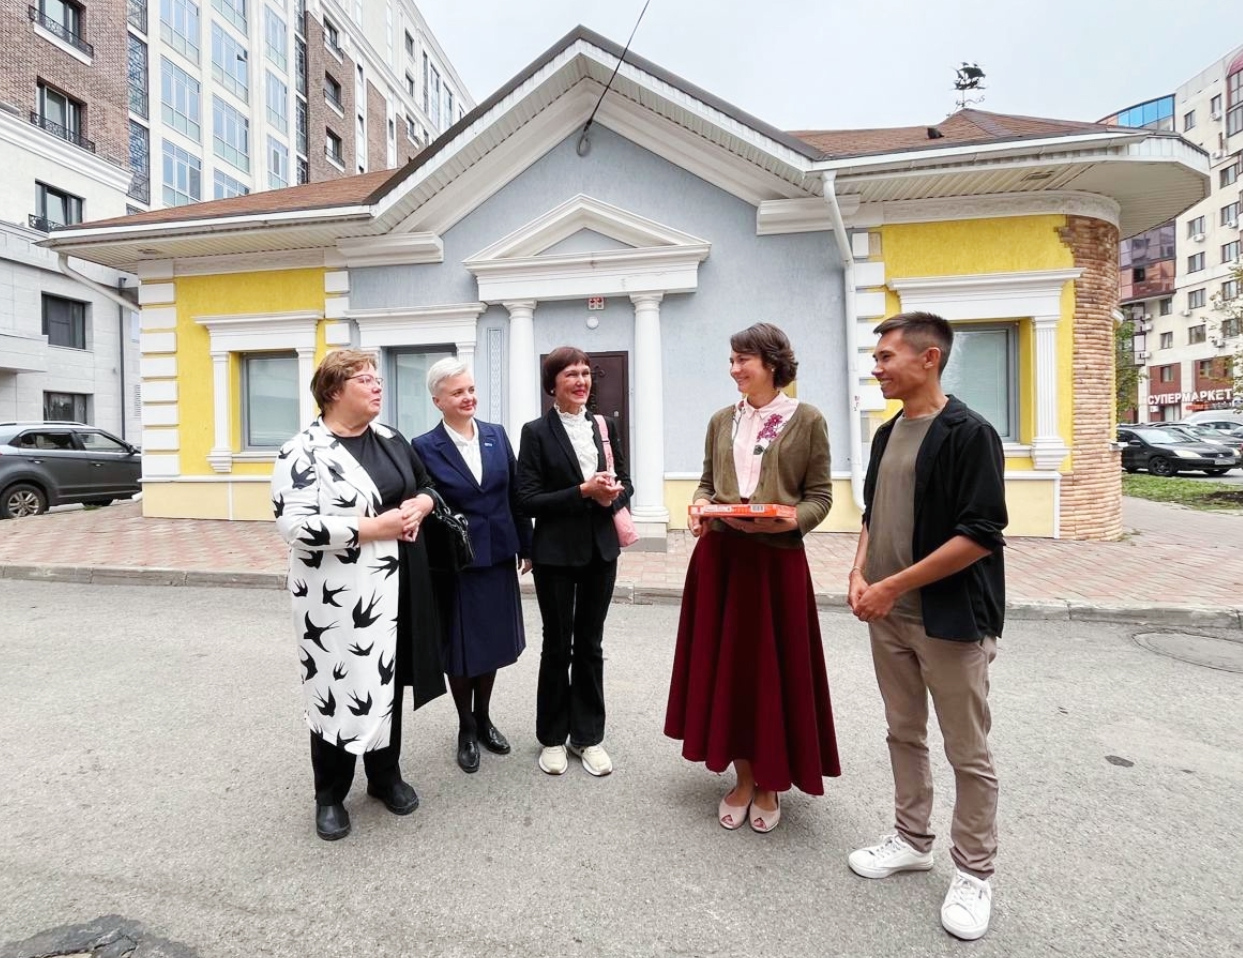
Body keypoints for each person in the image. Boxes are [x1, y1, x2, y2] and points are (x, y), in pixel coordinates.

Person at [845, 311, 1007, 941]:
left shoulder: (970, 433)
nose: (877, 368)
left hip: (948, 619)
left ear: (929, 358)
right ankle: (912, 840)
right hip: (888, 617)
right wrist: (860, 573)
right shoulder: (888, 433)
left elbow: (980, 535)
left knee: (968, 751)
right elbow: (872, 513)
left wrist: (891, 586)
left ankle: (974, 872)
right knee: (903, 733)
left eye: (886, 357)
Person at [664, 322, 840, 834]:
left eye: (743, 360)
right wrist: (700, 508)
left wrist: (793, 518)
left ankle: (770, 782)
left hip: (775, 563)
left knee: (772, 671)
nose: (734, 369)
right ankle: (743, 778)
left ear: (772, 363)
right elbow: (706, 482)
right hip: (721, 558)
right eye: (732, 360)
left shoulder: (808, 419)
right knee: (731, 670)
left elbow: (820, 496)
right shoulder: (722, 420)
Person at [271, 349, 445, 842]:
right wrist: (374, 528)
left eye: (376, 378)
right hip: (337, 598)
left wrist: (421, 505)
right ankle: (330, 794)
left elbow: (428, 486)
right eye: (364, 379)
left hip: (398, 582)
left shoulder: (391, 439)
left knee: (386, 680)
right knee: (337, 688)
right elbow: (295, 525)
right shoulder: (301, 451)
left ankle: (384, 776)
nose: (377, 386)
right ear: (333, 391)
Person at [516, 347, 633, 778]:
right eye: (571, 374)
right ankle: (552, 736)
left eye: (585, 373)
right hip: (555, 554)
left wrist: (610, 495)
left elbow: (627, 483)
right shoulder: (535, 432)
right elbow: (527, 498)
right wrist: (583, 491)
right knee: (557, 645)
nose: (582, 380)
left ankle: (587, 736)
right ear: (553, 384)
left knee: (590, 645)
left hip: (601, 551)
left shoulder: (604, 426)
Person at [413, 358, 532, 774]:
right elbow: (426, 502)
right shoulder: (424, 446)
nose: (468, 397)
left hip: (497, 555)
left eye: (471, 389)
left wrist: (526, 545)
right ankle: (465, 725)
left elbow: (515, 495)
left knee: (492, 644)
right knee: (462, 648)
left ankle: (484, 717)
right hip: (456, 563)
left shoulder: (496, 435)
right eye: (458, 392)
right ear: (438, 401)